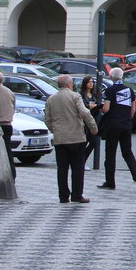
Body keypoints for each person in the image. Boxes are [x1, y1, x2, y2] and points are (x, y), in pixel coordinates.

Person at [44, 74, 98, 203]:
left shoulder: (51, 99)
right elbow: (84, 112)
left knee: (62, 169)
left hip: (60, 138)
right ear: (69, 85)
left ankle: (63, 196)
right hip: (76, 137)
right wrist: (93, 127)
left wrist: (54, 130)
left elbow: (47, 119)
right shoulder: (75, 96)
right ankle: (77, 195)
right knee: (77, 168)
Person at [99, 67, 136, 190]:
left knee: (110, 154)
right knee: (127, 152)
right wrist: (127, 119)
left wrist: (101, 109)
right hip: (126, 125)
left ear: (111, 77)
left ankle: (110, 182)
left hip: (113, 125)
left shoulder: (110, 90)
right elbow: (133, 109)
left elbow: (106, 108)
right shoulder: (129, 90)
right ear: (122, 77)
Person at [79, 75, 104, 170]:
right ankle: (80, 162)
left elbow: (97, 105)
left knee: (94, 142)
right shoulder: (81, 94)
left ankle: (82, 161)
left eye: (92, 82)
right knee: (84, 142)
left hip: (93, 119)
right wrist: (90, 106)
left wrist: (95, 106)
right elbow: (83, 106)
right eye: (89, 82)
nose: (91, 84)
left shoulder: (94, 95)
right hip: (84, 121)